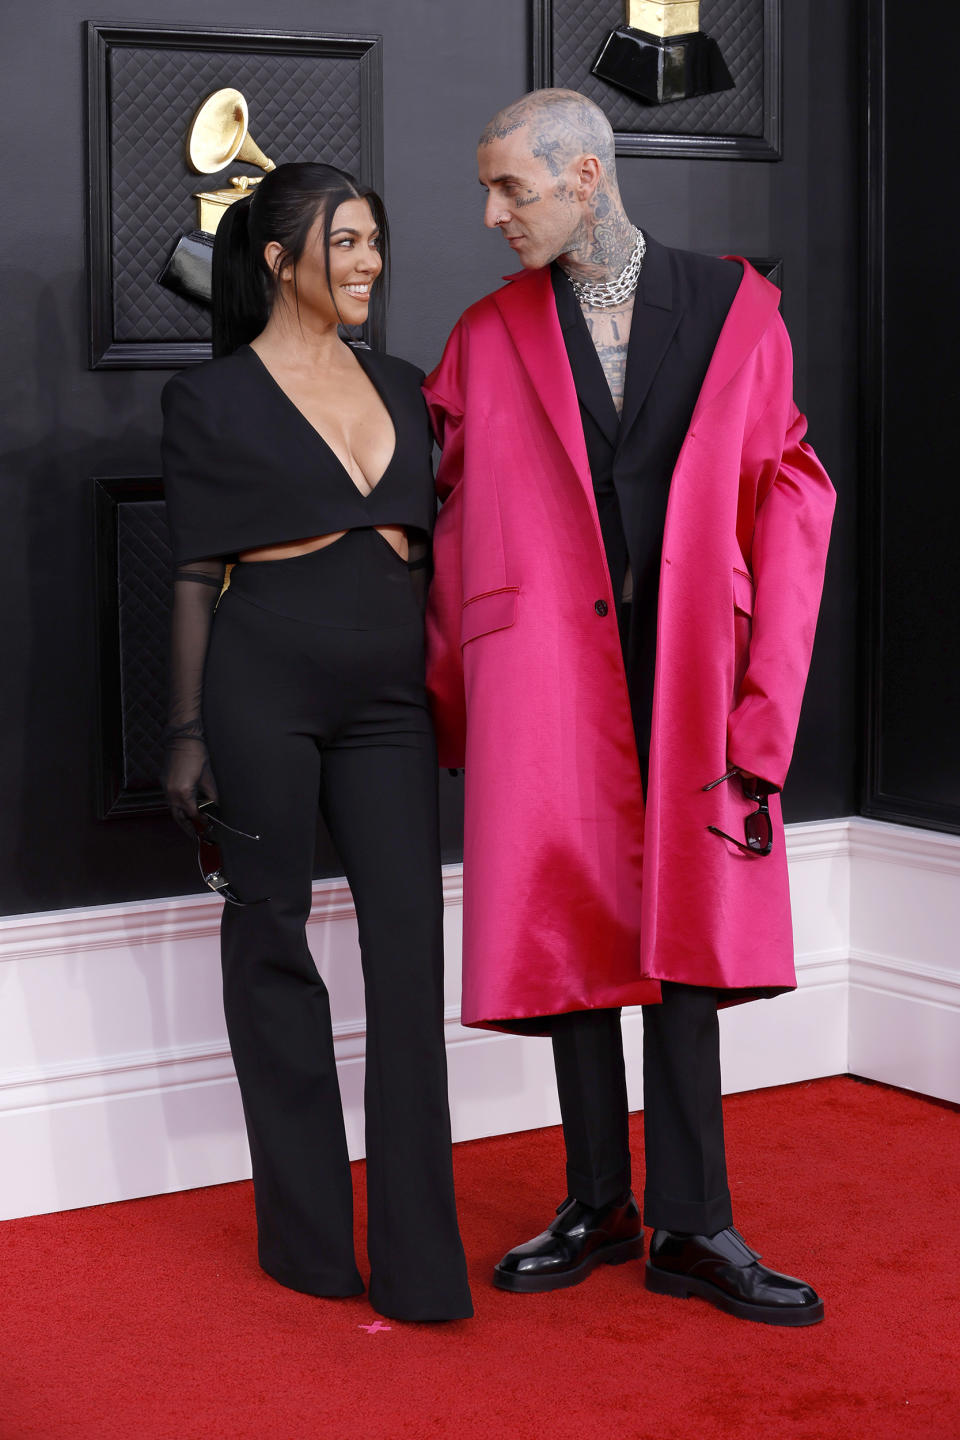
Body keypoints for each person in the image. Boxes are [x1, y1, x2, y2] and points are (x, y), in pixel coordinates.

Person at [424, 90, 835, 1326]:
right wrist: (463, 699)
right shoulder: (487, 335)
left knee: (688, 941)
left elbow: (790, 504)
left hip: (695, 666)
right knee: (572, 924)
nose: (493, 214)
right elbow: (449, 523)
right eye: (491, 190)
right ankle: (598, 1197)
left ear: (587, 176)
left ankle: (694, 1222)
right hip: (551, 671)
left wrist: (765, 706)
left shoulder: (733, 312)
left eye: (514, 188)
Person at [159, 162, 472, 1324]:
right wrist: (186, 731)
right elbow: (196, 575)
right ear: (282, 260)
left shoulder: (405, 382)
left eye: (376, 243)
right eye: (345, 243)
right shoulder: (208, 399)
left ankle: (421, 1258)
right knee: (272, 937)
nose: (368, 263)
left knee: (407, 956)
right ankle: (304, 1239)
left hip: (390, 695)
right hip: (262, 680)